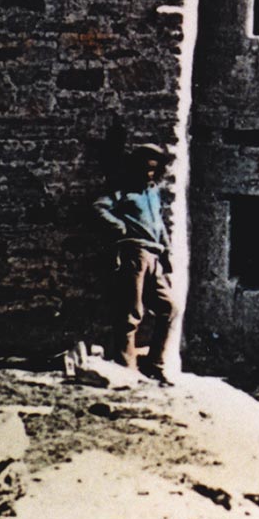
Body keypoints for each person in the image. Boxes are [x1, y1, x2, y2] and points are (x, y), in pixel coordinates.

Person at [90, 142, 176, 379]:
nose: (149, 173)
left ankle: (155, 365)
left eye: (153, 169)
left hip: (155, 256)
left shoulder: (153, 193)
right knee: (131, 313)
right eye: (145, 168)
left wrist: (167, 252)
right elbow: (98, 208)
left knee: (169, 308)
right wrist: (120, 227)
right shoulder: (123, 190)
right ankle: (126, 368)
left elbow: (160, 226)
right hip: (134, 253)